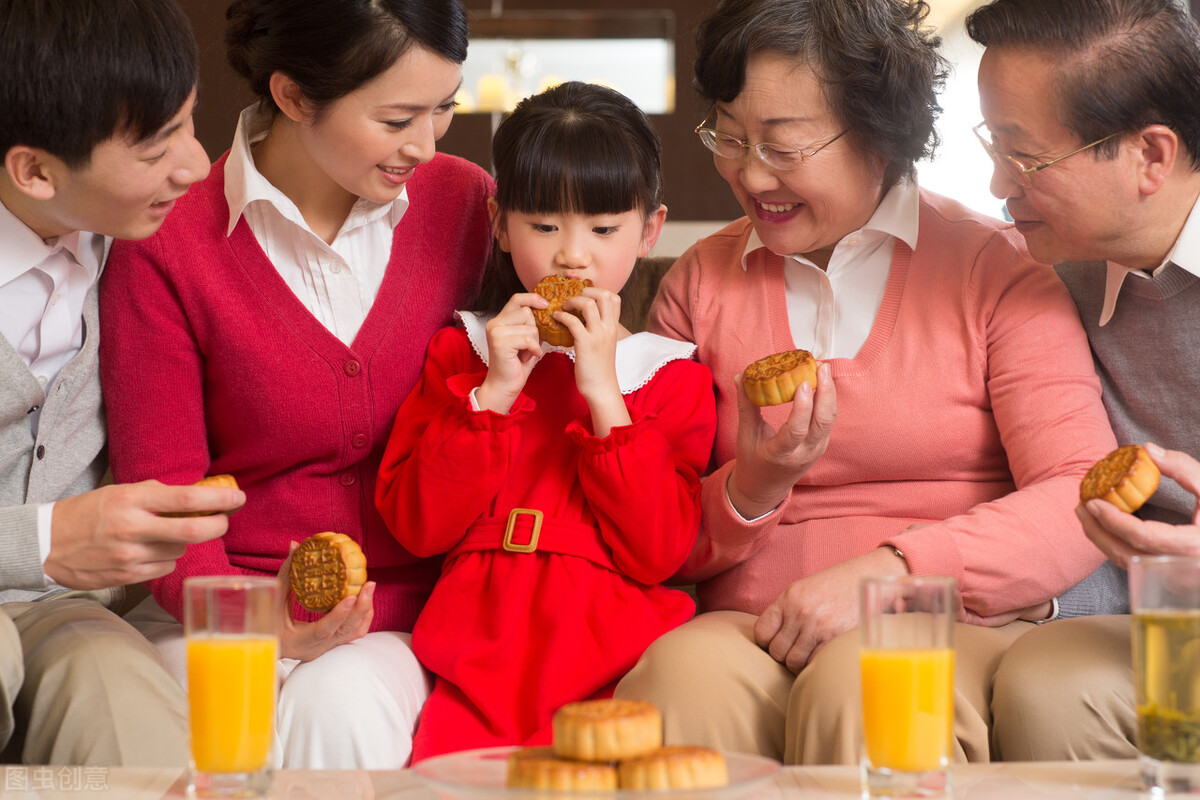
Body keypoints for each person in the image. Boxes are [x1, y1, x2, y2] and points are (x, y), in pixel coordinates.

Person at [611, 0, 1119, 765]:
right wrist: (751, 485)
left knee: (868, 685)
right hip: (749, 623)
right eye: (731, 136)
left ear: (881, 134)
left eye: (783, 147)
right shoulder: (701, 284)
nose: (749, 175)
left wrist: (895, 573)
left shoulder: (997, 269)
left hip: (948, 620)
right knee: (678, 682)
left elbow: (1079, 490)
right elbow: (646, 517)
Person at [97, 0, 493, 769]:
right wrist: (268, 624)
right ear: (294, 96)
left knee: (337, 707)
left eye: (443, 109)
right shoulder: (169, 241)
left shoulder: (470, 206)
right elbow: (164, 495)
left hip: (416, 612)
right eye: (396, 118)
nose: (426, 142)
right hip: (224, 602)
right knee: (198, 711)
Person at [375, 81, 717, 761]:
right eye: (544, 225)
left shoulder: (670, 375)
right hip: (476, 653)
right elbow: (416, 525)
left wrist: (603, 393)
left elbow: (661, 550)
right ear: (500, 225)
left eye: (603, 227)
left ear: (649, 230)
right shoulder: (462, 352)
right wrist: (495, 393)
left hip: (615, 661)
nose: (572, 255)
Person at [966, 0, 1200, 760]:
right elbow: (1102, 538)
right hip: (1141, 621)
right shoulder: (1044, 275)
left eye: (1026, 157)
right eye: (992, 145)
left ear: (1151, 156)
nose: (999, 183)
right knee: (1041, 681)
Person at [0, 0, 230, 766]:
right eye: (155, 146)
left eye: (190, 123)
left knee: (127, 709)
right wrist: (46, 540)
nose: (196, 167)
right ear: (34, 170)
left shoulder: (142, 244)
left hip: (65, 613)